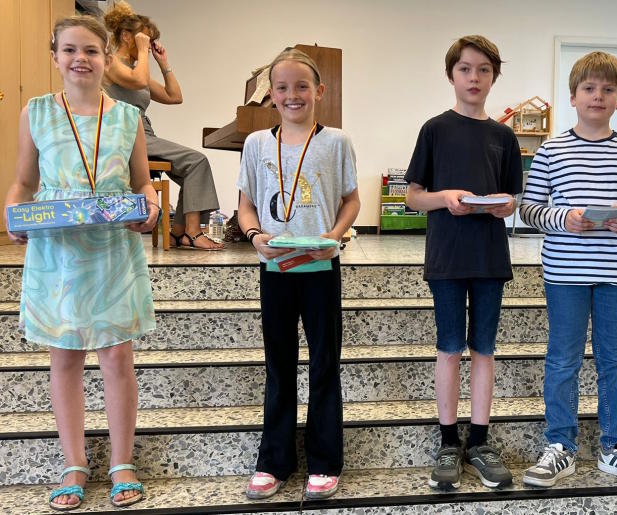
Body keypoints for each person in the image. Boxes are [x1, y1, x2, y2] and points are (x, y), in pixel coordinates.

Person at [3, 15, 159, 511]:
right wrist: (13, 211)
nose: (80, 59)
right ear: (55, 57)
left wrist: (151, 205)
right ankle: (74, 463)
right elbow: (24, 181)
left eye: (91, 50)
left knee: (117, 357)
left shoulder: (128, 117)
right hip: (58, 250)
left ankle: (122, 462)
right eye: (69, 50)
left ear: (107, 57)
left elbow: (142, 182)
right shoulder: (36, 112)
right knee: (65, 357)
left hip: (112, 245)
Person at [519, 51, 617, 488]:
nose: (598, 96)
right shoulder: (552, 150)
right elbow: (529, 209)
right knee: (563, 358)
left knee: (614, 358)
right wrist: (565, 218)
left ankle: (615, 446)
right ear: (573, 97)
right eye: (589, 88)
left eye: (607, 89)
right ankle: (560, 445)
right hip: (565, 274)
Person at [237, 47, 360, 500]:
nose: (293, 95)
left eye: (302, 86)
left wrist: (335, 235)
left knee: (325, 362)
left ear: (319, 91)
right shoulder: (256, 144)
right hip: (275, 267)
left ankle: (325, 461)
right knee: (279, 364)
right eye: (283, 87)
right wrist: (254, 236)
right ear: (271, 94)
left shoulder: (337, 142)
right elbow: (246, 204)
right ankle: (274, 461)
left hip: (320, 266)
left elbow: (352, 200)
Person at [405, 35, 522, 491]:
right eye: (465, 69)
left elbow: (513, 195)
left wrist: (506, 205)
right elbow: (414, 197)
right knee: (450, 347)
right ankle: (448, 442)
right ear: (451, 75)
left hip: (490, 256)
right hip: (448, 257)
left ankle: (480, 441)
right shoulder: (435, 129)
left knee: (484, 349)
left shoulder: (503, 136)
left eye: (484, 70)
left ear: (494, 77)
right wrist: (445, 197)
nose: (474, 78)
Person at [103, 1, 223, 250]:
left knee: (191, 166)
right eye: (145, 39)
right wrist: (142, 51)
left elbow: (174, 96)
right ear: (126, 36)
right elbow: (138, 81)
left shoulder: (139, 69)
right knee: (196, 161)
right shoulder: (111, 63)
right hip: (124, 134)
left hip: (144, 133)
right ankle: (192, 232)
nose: (148, 45)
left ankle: (178, 232)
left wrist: (163, 62)